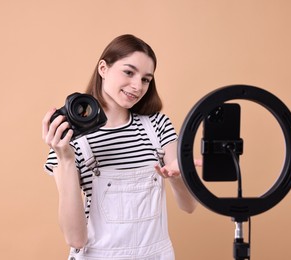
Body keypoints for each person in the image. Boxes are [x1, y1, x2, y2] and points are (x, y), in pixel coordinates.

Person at [42, 34, 199, 260]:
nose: (137, 86)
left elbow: (189, 206)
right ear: (103, 68)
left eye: (146, 79)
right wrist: (65, 159)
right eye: (129, 72)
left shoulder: (158, 126)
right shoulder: (70, 138)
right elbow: (75, 238)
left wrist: (176, 177)